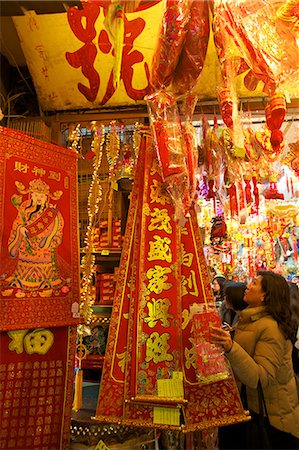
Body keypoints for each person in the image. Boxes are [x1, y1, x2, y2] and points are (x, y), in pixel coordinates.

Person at [210, 270, 299, 449]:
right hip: (248, 411)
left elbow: (260, 377)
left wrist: (231, 347)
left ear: (264, 295)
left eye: (254, 283)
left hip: (270, 421)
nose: (248, 285)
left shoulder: (271, 328)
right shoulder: (249, 319)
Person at [4, 178, 64, 291]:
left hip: (44, 251)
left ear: (46, 197)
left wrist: (48, 240)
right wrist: (20, 229)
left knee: (46, 278)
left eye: (42, 196)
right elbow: (17, 223)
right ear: (31, 196)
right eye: (36, 196)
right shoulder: (24, 208)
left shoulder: (53, 213)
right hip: (25, 249)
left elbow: (58, 230)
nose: (39, 199)